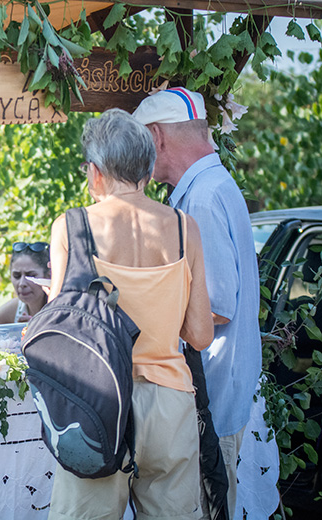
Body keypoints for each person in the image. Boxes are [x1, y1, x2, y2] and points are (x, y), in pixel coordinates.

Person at [47, 109, 214, 519]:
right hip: (170, 404)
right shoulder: (183, 226)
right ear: (147, 167)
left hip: (99, 403)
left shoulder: (71, 226)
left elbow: (57, 327)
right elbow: (200, 334)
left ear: (96, 171)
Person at [133, 87, 261, 520]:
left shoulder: (202, 198)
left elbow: (217, 308)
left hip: (214, 395)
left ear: (156, 137)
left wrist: (139, 313)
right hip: (222, 388)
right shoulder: (208, 185)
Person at [0, 241, 49, 324]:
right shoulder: (13, 309)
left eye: (30, 276)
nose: (22, 284)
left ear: (48, 276)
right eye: (16, 276)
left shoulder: (61, 309)